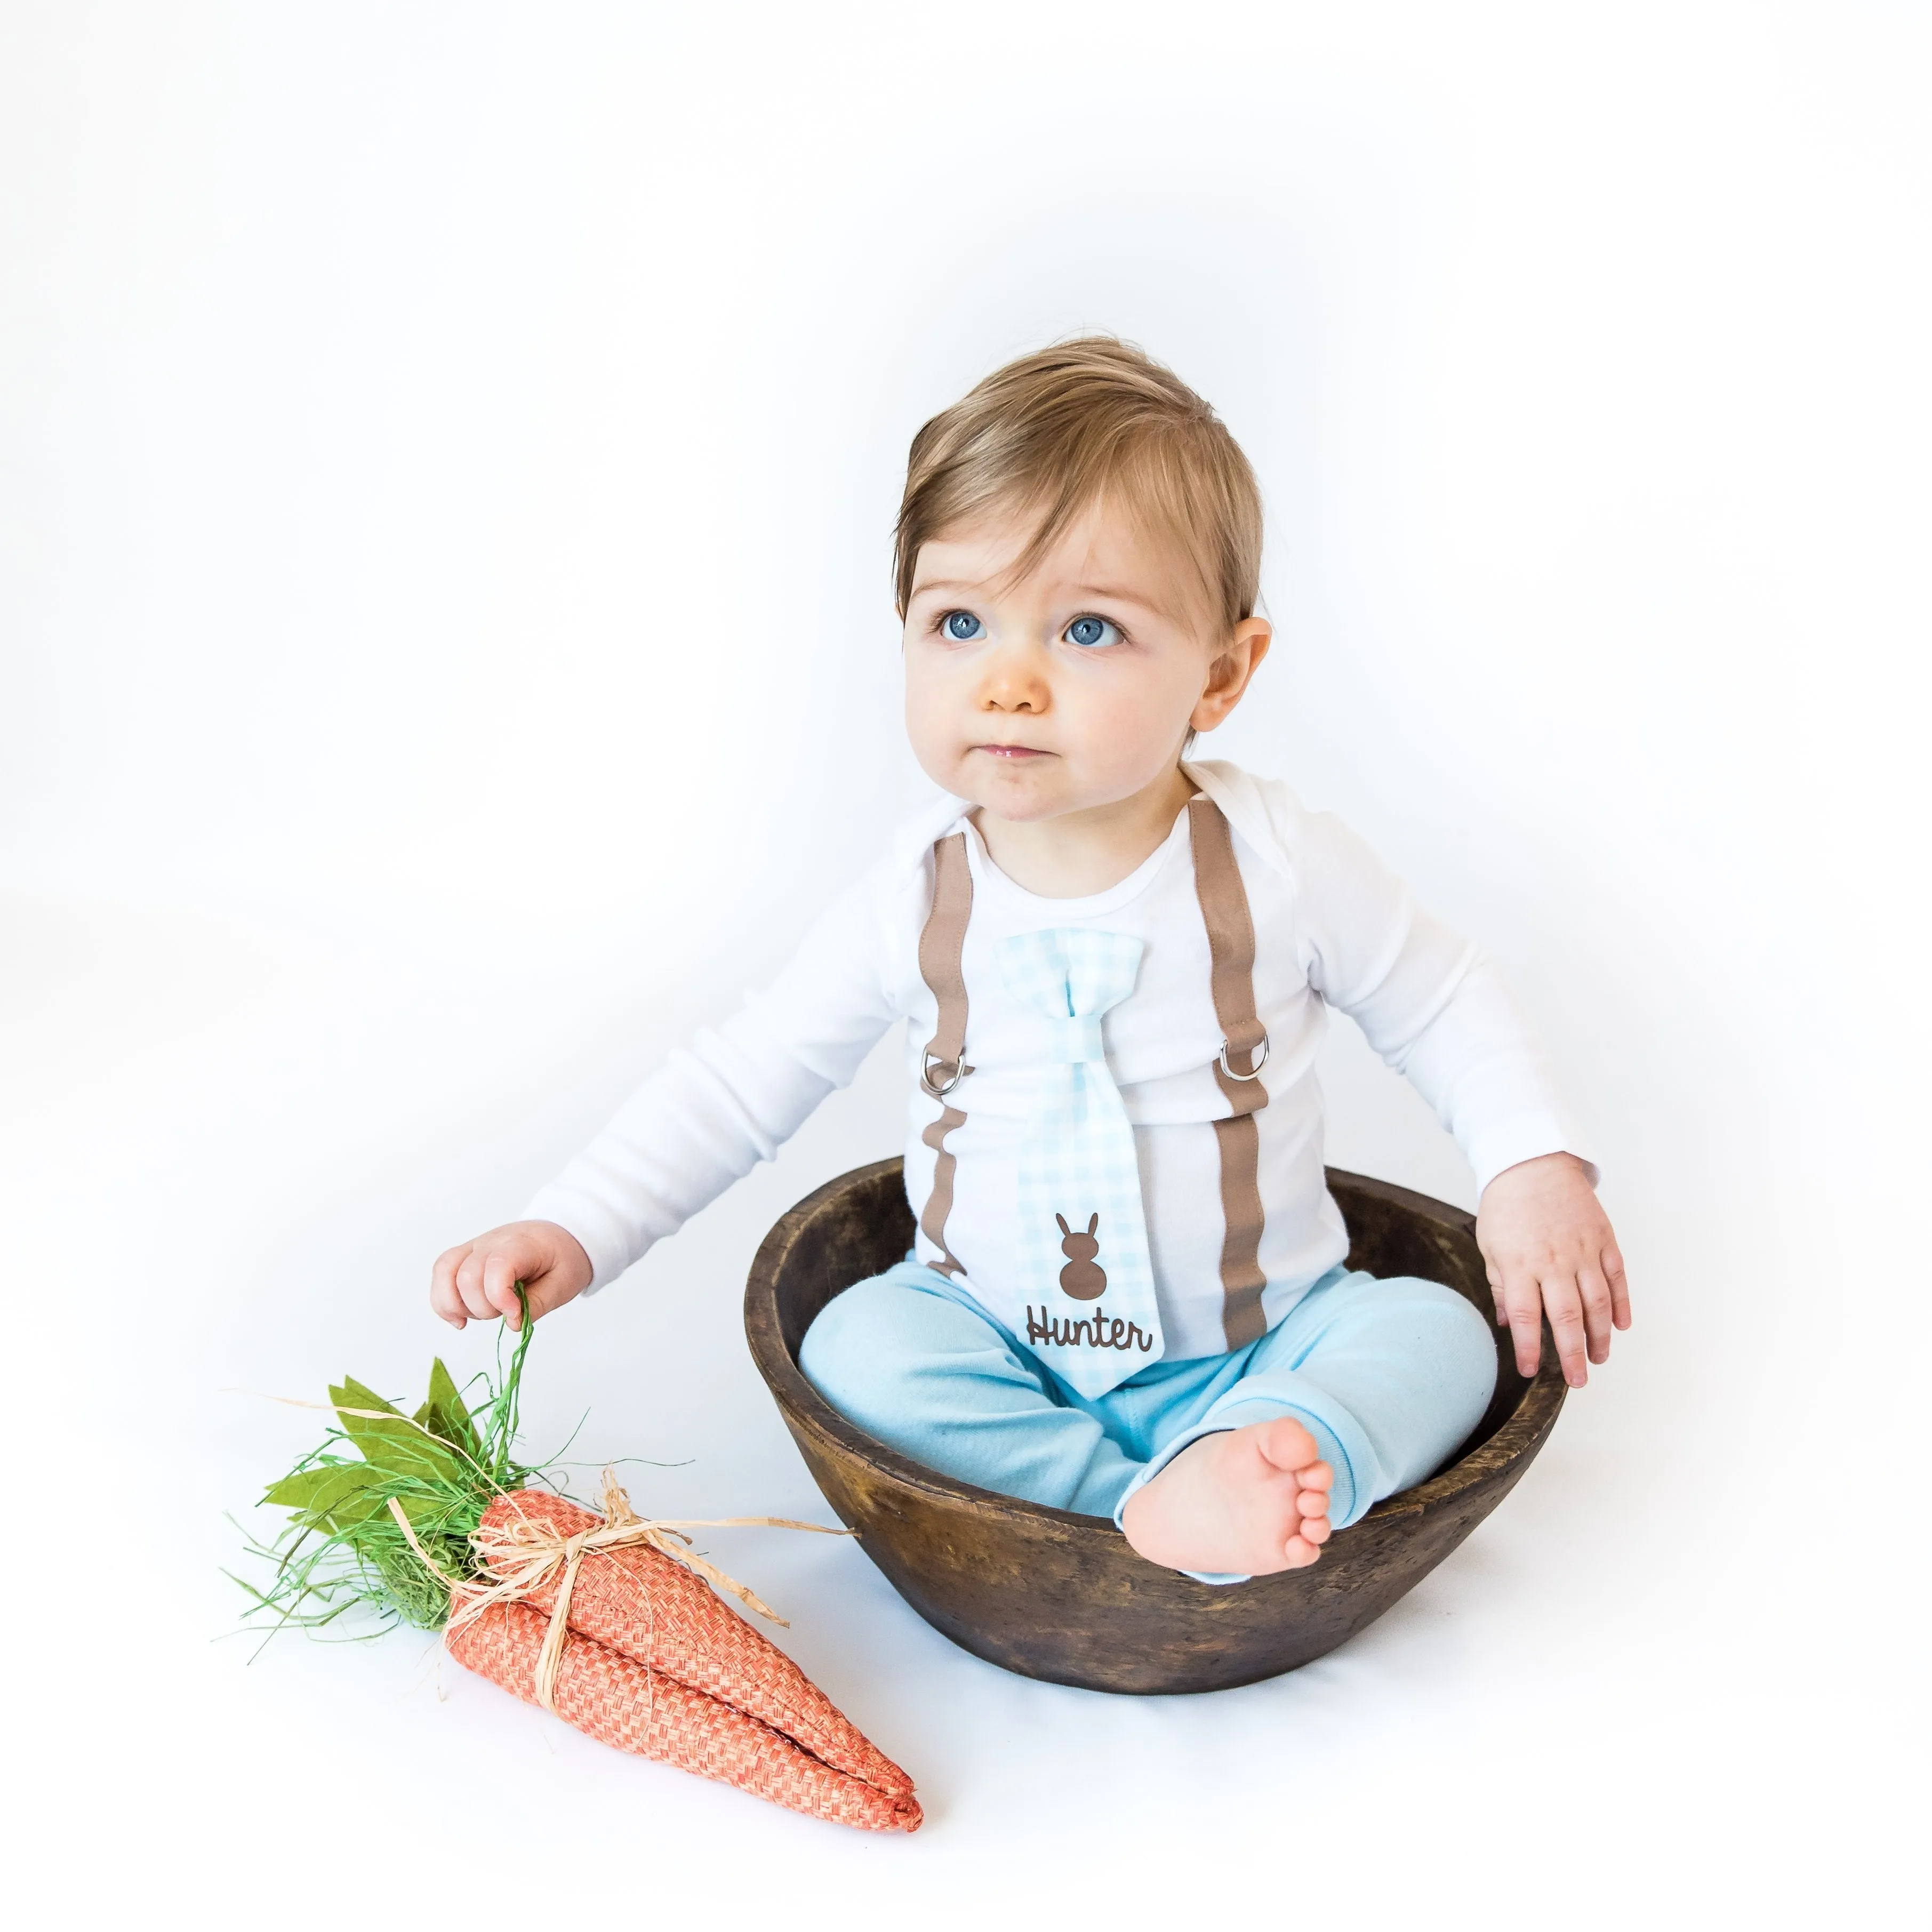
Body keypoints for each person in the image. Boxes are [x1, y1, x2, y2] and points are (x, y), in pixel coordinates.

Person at [430, 338, 1630, 1583]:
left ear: (1220, 673)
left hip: (1263, 1339)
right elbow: (743, 1079)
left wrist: (1528, 1164)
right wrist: (575, 1221)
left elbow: (1437, 996)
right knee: (857, 1345)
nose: (1006, 682)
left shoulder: (1276, 860)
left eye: (1087, 629)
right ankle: (1140, 1500)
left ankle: (1263, 1445)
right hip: (989, 1340)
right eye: (959, 620)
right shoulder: (912, 898)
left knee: (1438, 1332)